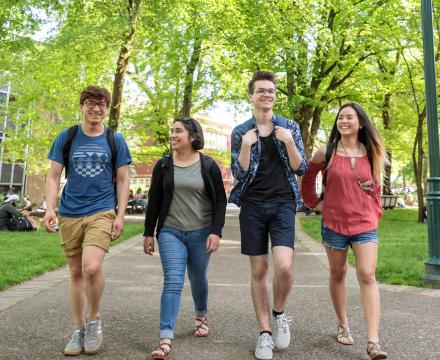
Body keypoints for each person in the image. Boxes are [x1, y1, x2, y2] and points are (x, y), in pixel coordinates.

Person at [43, 85, 131, 356]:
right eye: (91, 103)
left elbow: (124, 179)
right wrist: (49, 208)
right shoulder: (67, 136)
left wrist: (120, 215)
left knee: (91, 267)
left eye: (102, 104)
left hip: (101, 210)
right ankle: (78, 328)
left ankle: (94, 320)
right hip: (70, 212)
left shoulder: (115, 139)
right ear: (81, 107)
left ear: (107, 109)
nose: (96, 108)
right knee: (75, 272)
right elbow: (54, 176)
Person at [229, 71, 307, 360]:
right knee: (259, 270)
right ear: (251, 96)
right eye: (260, 90)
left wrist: (288, 141)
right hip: (252, 206)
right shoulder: (240, 132)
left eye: (271, 91)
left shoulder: (289, 127)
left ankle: (279, 312)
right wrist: (247, 146)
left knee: (284, 267)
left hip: (283, 203)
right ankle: (264, 333)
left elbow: (302, 168)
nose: (267, 94)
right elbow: (238, 172)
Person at [301, 103, 387, 360]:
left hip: (364, 224)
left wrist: (375, 211)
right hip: (334, 223)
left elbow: (377, 187)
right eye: (340, 117)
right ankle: (343, 324)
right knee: (338, 273)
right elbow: (307, 177)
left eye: (349, 117)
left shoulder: (372, 151)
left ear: (360, 123)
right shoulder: (325, 152)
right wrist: (314, 202)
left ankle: (373, 342)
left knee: (367, 275)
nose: (343, 121)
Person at [143, 117, 227, 359]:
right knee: (173, 281)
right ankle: (165, 338)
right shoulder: (163, 166)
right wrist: (149, 233)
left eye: (178, 131)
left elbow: (220, 201)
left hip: (201, 232)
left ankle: (201, 314)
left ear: (193, 136)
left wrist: (216, 231)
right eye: (172, 130)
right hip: (170, 231)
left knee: (198, 276)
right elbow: (155, 200)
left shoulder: (208, 165)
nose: (173, 134)